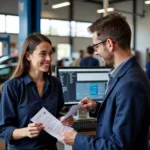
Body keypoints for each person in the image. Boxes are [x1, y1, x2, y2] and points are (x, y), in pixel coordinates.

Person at [60, 13, 150, 150]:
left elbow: (118, 146)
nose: (96, 52)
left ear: (109, 44)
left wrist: (76, 139)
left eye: (96, 46)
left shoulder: (131, 84)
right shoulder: (124, 74)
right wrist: (97, 107)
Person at [0, 33, 73, 150]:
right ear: (28, 56)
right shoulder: (12, 87)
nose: (48, 58)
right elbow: (4, 130)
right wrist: (25, 131)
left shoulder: (55, 83)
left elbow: (57, 114)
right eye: (43, 54)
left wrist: (63, 119)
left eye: (50, 54)